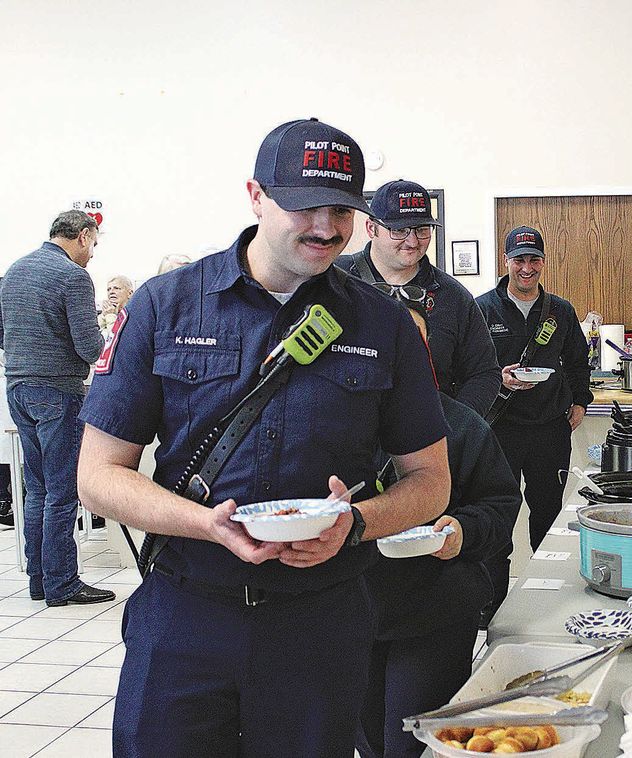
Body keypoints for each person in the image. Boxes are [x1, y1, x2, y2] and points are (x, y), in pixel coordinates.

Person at [76, 118, 451, 758]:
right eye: (304, 206)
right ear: (256, 195)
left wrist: (355, 523)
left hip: (320, 622)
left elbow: (431, 482)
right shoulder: (167, 305)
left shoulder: (382, 323)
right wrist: (204, 523)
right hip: (187, 612)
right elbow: (99, 474)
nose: (326, 228)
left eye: (341, 209)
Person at [358, 299, 520, 758]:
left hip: (436, 609)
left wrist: (462, 531)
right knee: (368, 741)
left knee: (412, 744)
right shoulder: (338, 425)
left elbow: (501, 504)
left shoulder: (461, 426)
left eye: (415, 345)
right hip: (353, 611)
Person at [476, 225, 593, 620]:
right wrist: (498, 378)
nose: (526, 268)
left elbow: (578, 362)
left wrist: (580, 401)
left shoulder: (560, 311)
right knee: (498, 515)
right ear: (505, 261)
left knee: (548, 515)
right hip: (499, 429)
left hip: (549, 428)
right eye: (519, 259)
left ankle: (548, 602)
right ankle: (492, 607)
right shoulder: (481, 308)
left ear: (543, 262)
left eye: (534, 260)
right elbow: (468, 368)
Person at [0, 210, 114, 606]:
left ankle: (39, 580)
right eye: (94, 244)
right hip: (57, 390)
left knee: (37, 490)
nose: (93, 255)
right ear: (82, 236)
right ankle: (63, 584)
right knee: (63, 492)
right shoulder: (72, 276)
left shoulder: (14, 270)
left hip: (17, 387)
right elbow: (90, 348)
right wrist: (107, 334)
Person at [336, 179, 500, 415]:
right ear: (372, 228)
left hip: (427, 443)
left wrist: (454, 430)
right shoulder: (334, 280)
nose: (412, 242)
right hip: (346, 440)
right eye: (399, 230)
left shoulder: (453, 296)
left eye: (422, 229)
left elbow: (484, 373)